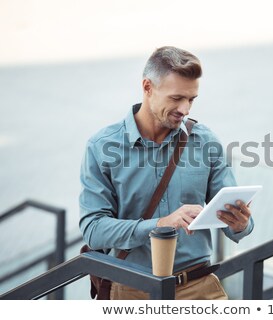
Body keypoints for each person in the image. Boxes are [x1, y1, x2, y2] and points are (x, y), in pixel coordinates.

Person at [79, 46, 254, 300]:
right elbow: (94, 230)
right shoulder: (102, 147)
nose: (185, 109)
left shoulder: (205, 142)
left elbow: (235, 221)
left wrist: (241, 224)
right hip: (131, 290)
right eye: (176, 98)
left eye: (191, 99)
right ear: (148, 87)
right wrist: (160, 224)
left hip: (199, 287)